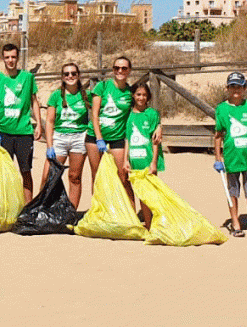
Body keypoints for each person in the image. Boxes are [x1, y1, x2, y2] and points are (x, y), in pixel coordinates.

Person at [214, 71, 247, 237]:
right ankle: (235, 221)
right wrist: (218, 158)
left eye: (239, 86)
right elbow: (218, 135)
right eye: (232, 86)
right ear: (228, 88)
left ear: (244, 88)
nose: (236, 89)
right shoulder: (221, 109)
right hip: (232, 157)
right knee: (233, 191)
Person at [0, 44, 41, 201]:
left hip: (24, 132)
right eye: (7, 57)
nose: (10, 60)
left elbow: (34, 101)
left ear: (18, 58)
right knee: (4, 172)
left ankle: (27, 208)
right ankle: (6, 206)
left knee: (25, 171)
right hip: (4, 132)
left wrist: (38, 123)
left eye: (13, 57)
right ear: (3, 58)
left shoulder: (27, 77)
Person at [43, 62, 91, 209]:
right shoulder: (56, 96)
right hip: (59, 138)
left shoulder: (87, 95)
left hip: (79, 138)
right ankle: (43, 208)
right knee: (49, 176)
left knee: (74, 177)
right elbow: (50, 122)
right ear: (62, 77)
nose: (70, 76)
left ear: (78, 75)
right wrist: (49, 145)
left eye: (73, 73)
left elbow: (100, 114)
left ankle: (71, 211)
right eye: (66, 74)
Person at [90, 56, 136, 208]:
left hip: (117, 137)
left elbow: (140, 112)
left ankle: (131, 212)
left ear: (129, 70)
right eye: (116, 68)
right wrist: (99, 138)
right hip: (95, 136)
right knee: (97, 176)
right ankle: (99, 211)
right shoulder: (102, 87)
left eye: (124, 68)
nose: (120, 71)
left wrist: (158, 125)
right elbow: (94, 114)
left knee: (123, 176)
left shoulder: (130, 92)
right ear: (113, 70)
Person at [125, 82, 161, 229]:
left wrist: (154, 162)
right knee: (140, 193)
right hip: (134, 160)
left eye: (144, 95)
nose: (141, 97)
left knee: (151, 194)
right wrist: (125, 159)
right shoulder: (129, 114)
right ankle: (147, 224)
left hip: (147, 159)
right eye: (138, 94)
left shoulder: (152, 114)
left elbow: (155, 142)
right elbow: (127, 138)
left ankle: (153, 224)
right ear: (133, 95)